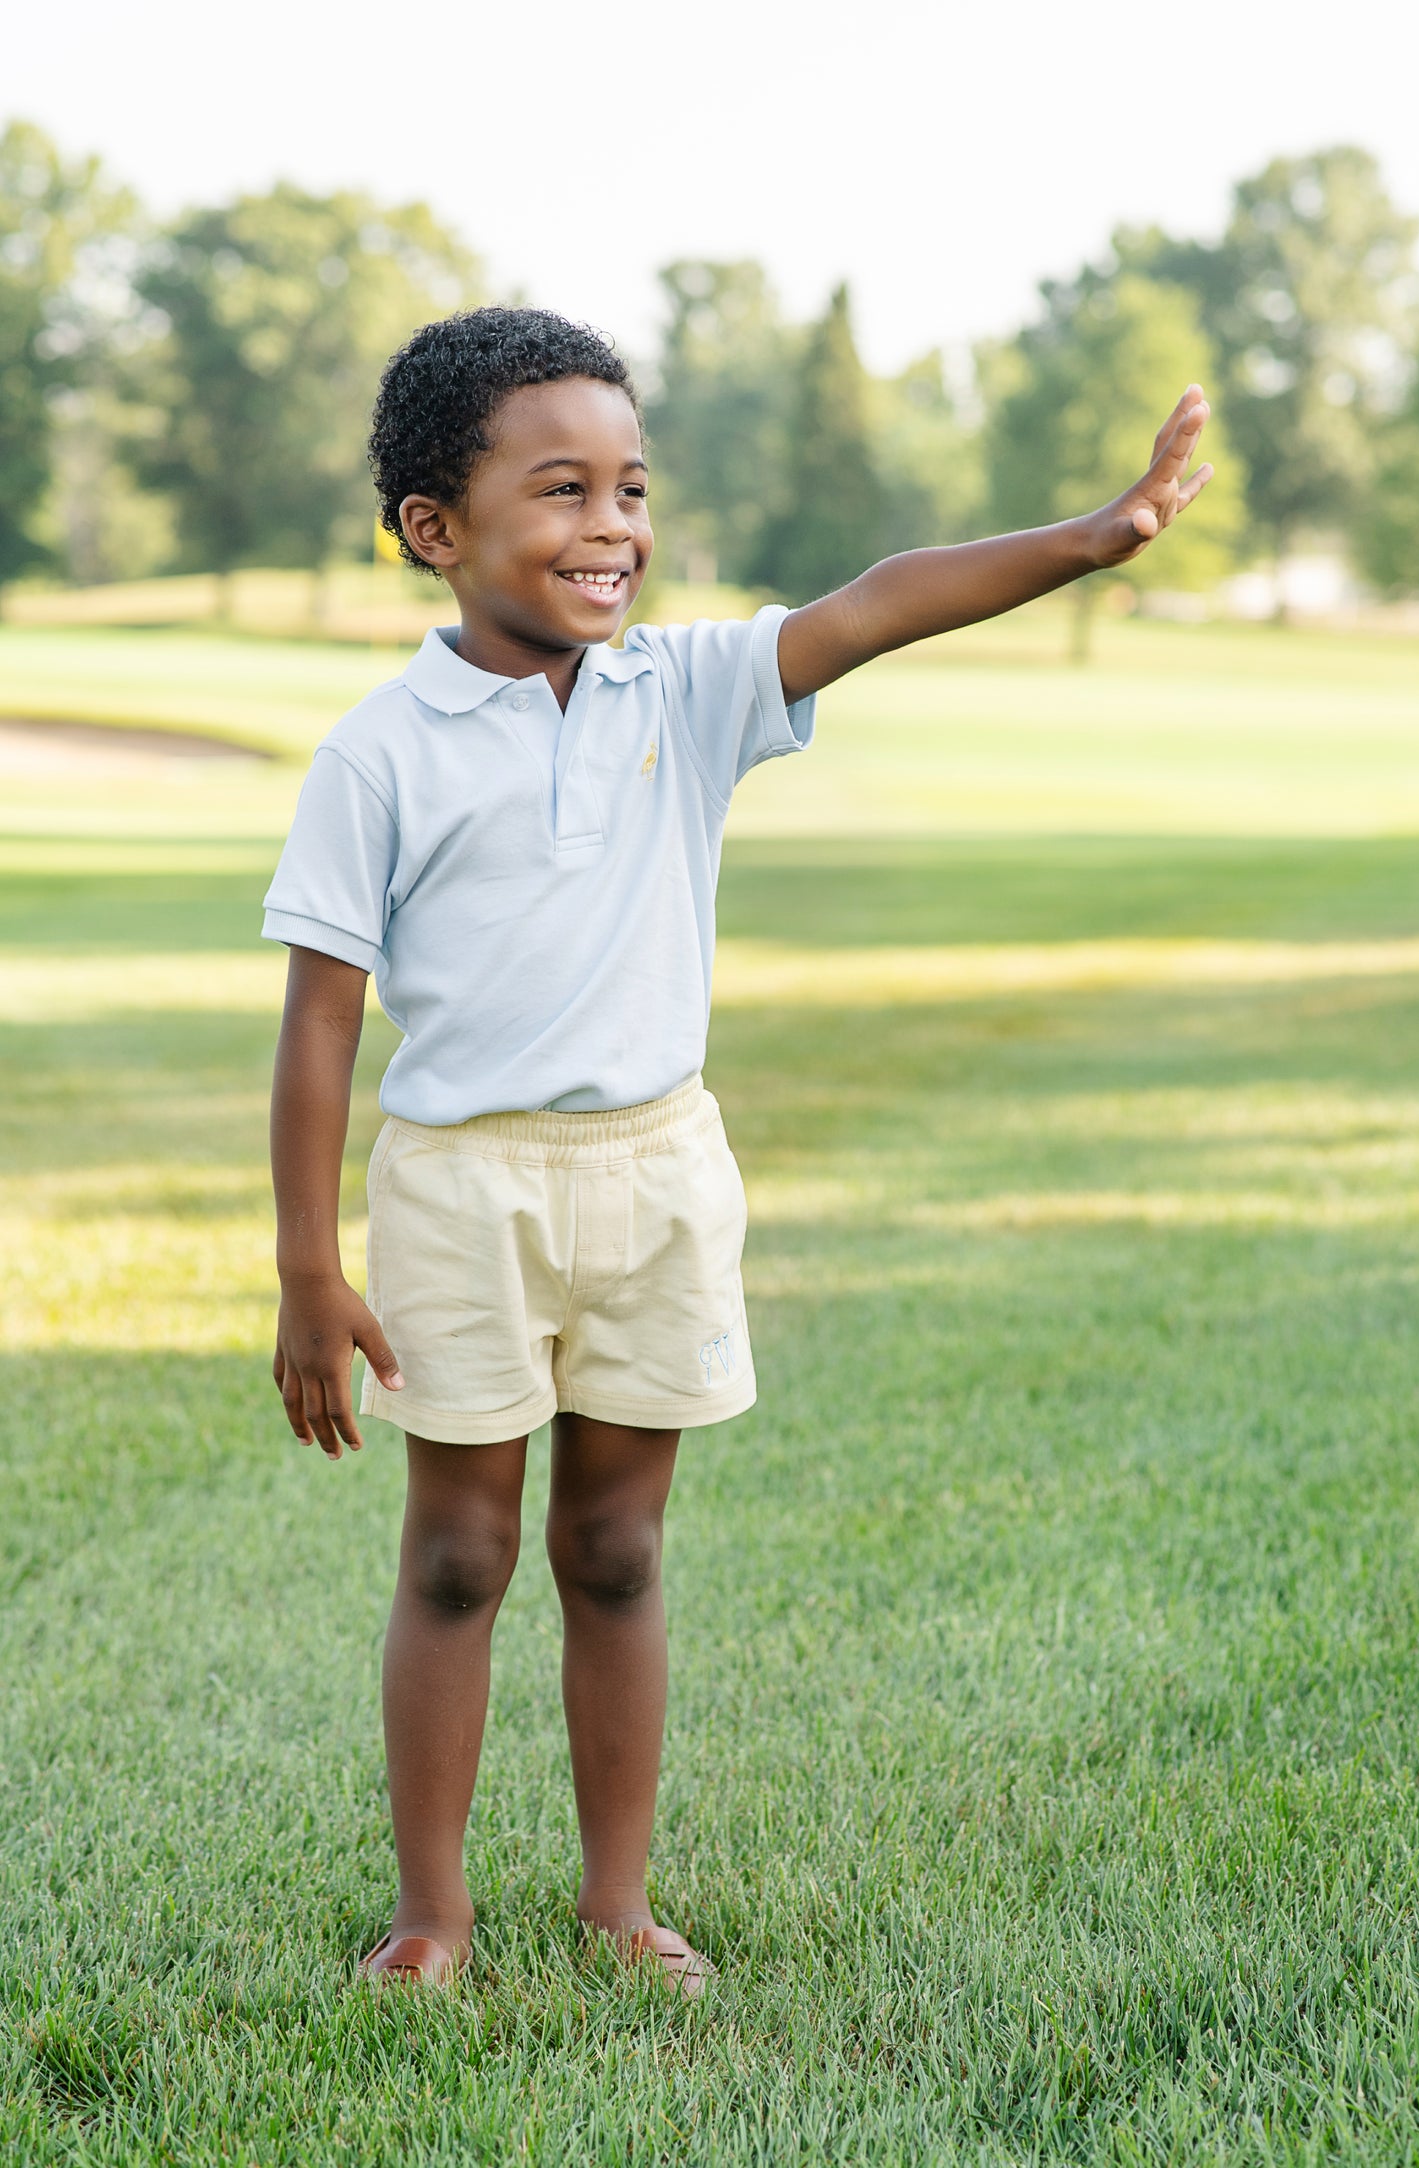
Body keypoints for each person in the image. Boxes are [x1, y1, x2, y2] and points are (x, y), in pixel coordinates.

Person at [264, 306, 1212, 1996]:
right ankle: (432, 1915)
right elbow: (322, 1020)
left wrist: (1092, 541)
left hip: (656, 1176)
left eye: (630, 489)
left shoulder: (681, 689)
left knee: (617, 1551)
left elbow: (876, 600)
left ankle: (617, 1908)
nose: (611, 527)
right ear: (435, 528)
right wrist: (305, 1270)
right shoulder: (379, 751)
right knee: (460, 1554)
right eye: (561, 491)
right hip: (458, 1190)